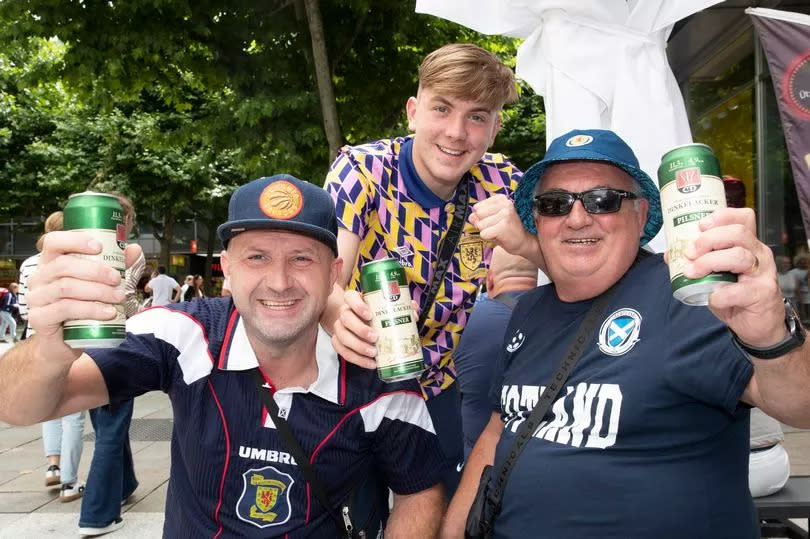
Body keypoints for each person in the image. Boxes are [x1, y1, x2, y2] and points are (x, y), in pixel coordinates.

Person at [0, 175, 445, 538]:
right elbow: (17, 406)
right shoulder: (182, 333)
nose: (279, 280)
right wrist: (50, 348)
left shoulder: (377, 369)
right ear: (227, 269)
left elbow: (419, 491)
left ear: (334, 274)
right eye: (256, 257)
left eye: (302, 259)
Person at [442, 129, 810, 538]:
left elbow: (801, 405)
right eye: (555, 204)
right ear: (538, 221)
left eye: (603, 200)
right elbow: (497, 433)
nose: (577, 218)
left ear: (640, 214)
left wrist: (772, 336)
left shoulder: (689, 298)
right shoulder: (528, 311)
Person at [323, 43, 522, 495]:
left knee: (438, 502)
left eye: (477, 116)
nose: (456, 132)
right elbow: (328, 273)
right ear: (413, 111)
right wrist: (335, 311)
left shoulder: (503, 181)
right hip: (351, 374)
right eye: (442, 108)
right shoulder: (362, 169)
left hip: (437, 382)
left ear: (494, 128)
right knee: (353, 506)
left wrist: (525, 239)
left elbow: (571, 251)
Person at [79, 193, 145, 537]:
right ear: (127, 220)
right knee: (112, 426)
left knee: (107, 420)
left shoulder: (86, 250)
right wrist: (149, 321)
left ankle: (125, 483)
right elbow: (128, 297)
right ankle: (97, 515)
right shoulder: (129, 250)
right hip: (117, 337)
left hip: (86, 339)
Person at [18, 211, 87, 502]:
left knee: (49, 408)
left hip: (38, 342)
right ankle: (70, 483)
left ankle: (52, 465)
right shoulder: (75, 263)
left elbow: (24, 311)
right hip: (69, 343)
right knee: (73, 413)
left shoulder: (28, 265)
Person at [453, 247, 537, 457]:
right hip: (533, 456)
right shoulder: (560, 317)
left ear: (489, 280)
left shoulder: (465, 316)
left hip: (470, 459)